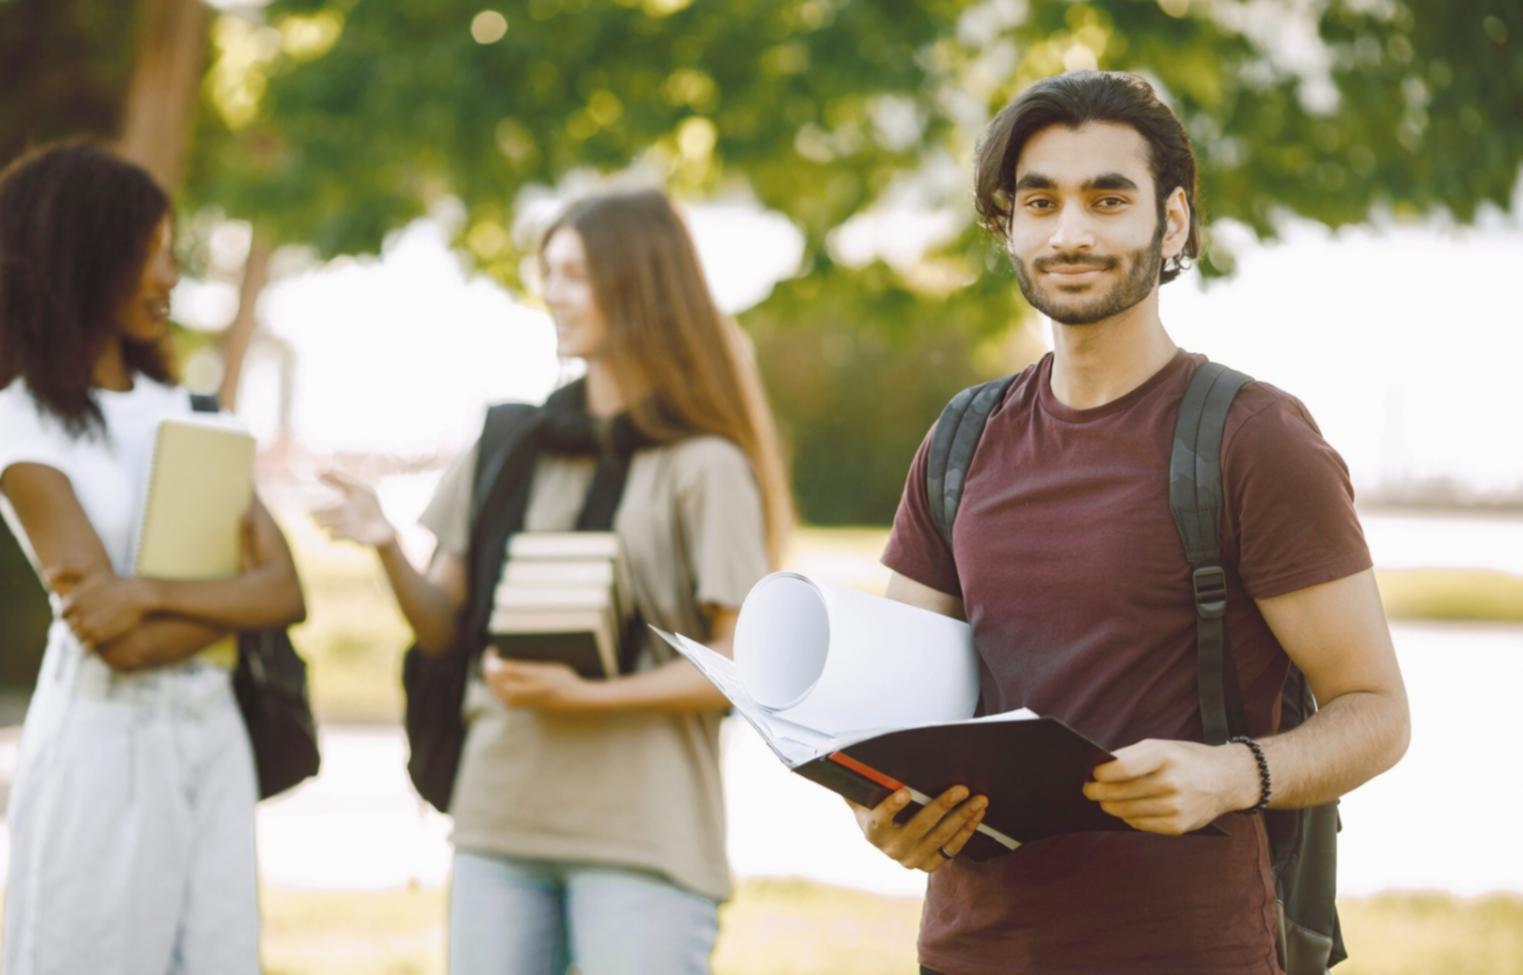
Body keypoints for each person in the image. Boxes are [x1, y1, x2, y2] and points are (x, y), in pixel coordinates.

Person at [851, 71, 1410, 975]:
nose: (1070, 231)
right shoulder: (961, 436)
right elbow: (891, 707)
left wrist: (1231, 773)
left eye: (1107, 200)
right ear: (1010, 227)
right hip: (969, 952)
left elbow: (1377, 712)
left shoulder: (1251, 438)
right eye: (1041, 202)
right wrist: (882, 811)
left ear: (1173, 221)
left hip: (1192, 951)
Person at [315, 187, 792, 975]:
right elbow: (444, 626)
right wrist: (384, 546)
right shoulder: (509, 445)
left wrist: (587, 699)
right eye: (549, 271)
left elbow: (736, 666)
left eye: (575, 273)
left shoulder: (705, 465)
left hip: (641, 835)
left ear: (636, 284)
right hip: (498, 820)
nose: (552, 293)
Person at [0, 141, 307, 973]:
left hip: (213, 736)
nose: (171, 275)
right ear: (83, 254)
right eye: (153, 251)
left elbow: (284, 591)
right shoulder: (21, 426)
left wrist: (138, 590)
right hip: (102, 745)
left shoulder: (194, 410)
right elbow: (121, 646)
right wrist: (208, 605)